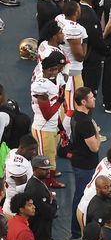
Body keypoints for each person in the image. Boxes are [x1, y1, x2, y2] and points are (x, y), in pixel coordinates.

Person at [70, 87, 103, 240]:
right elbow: (95, 147)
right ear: (83, 102)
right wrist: (96, 132)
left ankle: (77, 231)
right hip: (85, 165)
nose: (94, 99)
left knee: (80, 196)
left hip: (79, 161)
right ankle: (77, 233)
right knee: (82, 198)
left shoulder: (76, 116)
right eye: (91, 97)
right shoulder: (85, 123)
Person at [30, 53, 67, 189]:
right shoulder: (40, 85)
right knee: (44, 158)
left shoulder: (54, 80)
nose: (53, 72)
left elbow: (54, 112)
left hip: (51, 125)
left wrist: (61, 128)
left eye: (55, 69)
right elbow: (47, 114)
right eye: (50, 70)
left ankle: (50, 176)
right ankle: (45, 182)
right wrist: (60, 101)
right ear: (44, 70)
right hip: (43, 126)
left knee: (51, 154)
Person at [25, 156, 58, 240]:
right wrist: (54, 204)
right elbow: (49, 212)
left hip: (42, 228)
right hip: (39, 230)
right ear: (34, 169)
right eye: (44, 169)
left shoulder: (38, 182)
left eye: (48, 168)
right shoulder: (35, 188)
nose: (48, 171)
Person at [57, 2, 88, 115]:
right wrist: (85, 41)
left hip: (62, 66)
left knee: (63, 103)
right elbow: (80, 57)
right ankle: (69, 132)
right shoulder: (74, 29)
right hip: (73, 71)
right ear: (76, 12)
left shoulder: (60, 18)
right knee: (73, 107)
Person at [78, 0, 109, 96]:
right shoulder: (89, 15)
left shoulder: (78, 7)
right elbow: (96, 39)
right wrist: (106, 51)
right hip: (91, 58)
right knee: (89, 92)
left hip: (84, 56)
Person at [2, 133, 38, 213]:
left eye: (36, 149)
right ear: (22, 148)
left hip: (13, 203)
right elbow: (22, 192)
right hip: (15, 209)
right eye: (31, 149)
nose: (34, 152)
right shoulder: (17, 166)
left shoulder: (14, 151)